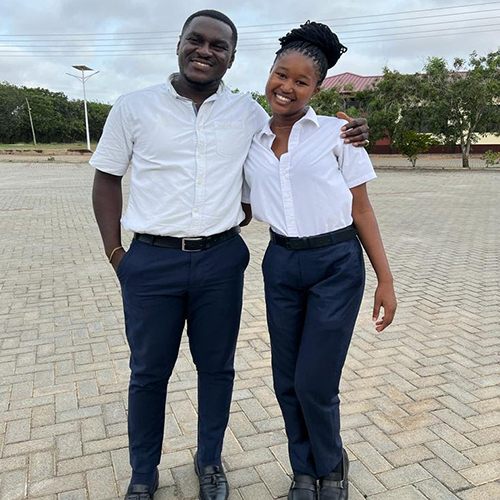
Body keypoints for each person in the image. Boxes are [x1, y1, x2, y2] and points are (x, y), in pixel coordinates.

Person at [91, 10, 370, 500]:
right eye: (196, 40)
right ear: (179, 43)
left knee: (217, 370)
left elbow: (294, 125)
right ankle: (143, 473)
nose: (205, 51)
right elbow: (107, 178)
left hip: (220, 261)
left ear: (232, 58)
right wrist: (117, 254)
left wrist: (351, 130)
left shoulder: (247, 113)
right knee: (148, 373)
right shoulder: (133, 107)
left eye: (218, 46)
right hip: (150, 262)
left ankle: (211, 464)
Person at [243, 21, 397, 500]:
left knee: (315, 381)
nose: (286, 87)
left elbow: (361, 208)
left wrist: (386, 280)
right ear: (270, 72)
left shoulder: (339, 134)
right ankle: (303, 471)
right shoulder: (250, 137)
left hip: (336, 264)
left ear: (316, 88)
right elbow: (241, 205)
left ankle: (332, 466)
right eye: (280, 74)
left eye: (301, 81)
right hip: (280, 264)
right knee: (286, 380)